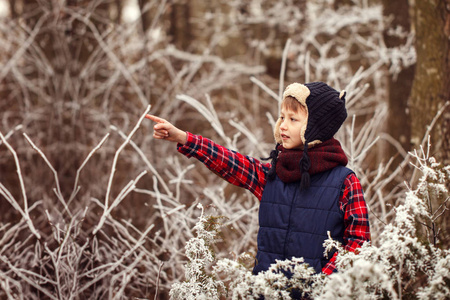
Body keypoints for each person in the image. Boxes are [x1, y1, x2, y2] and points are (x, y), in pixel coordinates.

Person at [146, 81, 370, 276]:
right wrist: (184, 138)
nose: (283, 125)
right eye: (282, 117)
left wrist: (324, 286)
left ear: (315, 128)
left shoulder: (344, 182)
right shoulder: (273, 176)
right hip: (266, 293)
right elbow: (231, 162)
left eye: (293, 119)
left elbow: (358, 244)